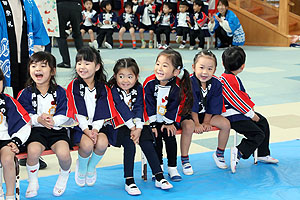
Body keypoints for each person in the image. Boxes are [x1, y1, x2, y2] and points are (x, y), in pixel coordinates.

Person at [103, 58, 173, 195]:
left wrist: (139, 128)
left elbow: (140, 106)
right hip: (117, 125)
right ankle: (129, 181)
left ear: (136, 77)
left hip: (136, 124)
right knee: (129, 144)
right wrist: (133, 127)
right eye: (121, 76)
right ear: (115, 75)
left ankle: (159, 176)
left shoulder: (139, 88)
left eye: (130, 76)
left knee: (147, 142)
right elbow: (120, 107)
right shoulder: (112, 89)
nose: (125, 80)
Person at [17, 52, 74, 197]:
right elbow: (23, 115)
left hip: (57, 131)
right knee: (33, 152)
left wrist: (54, 121)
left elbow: (67, 112)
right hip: (36, 131)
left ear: (53, 71)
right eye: (34, 66)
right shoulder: (25, 93)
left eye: (43, 66)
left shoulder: (61, 92)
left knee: (64, 154)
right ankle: (33, 181)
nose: (38, 69)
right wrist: (38, 119)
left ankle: (64, 175)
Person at [220, 46, 279, 173]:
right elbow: (235, 100)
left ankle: (262, 153)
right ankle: (239, 151)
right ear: (243, 66)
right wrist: (251, 114)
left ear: (223, 63)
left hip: (239, 113)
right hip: (233, 115)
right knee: (258, 134)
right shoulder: (226, 79)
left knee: (262, 122)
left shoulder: (231, 78)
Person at [143, 48, 193, 182]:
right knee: (155, 138)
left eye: (165, 66)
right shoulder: (149, 83)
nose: (159, 68)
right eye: (157, 64)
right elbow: (148, 105)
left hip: (170, 120)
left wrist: (169, 123)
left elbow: (175, 107)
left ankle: (172, 167)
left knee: (170, 137)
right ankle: (157, 167)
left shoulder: (177, 86)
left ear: (176, 71)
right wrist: (153, 124)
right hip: (152, 120)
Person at [67, 47, 113, 187]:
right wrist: (87, 130)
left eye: (87, 63)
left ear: (97, 66)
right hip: (79, 126)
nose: (82, 67)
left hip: (98, 126)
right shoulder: (74, 85)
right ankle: (81, 167)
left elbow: (102, 109)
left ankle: (91, 167)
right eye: (79, 63)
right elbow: (77, 110)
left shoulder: (103, 88)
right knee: (86, 146)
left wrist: (96, 130)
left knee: (102, 143)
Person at [181, 50, 231, 175]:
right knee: (189, 126)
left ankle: (219, 154)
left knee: (226, 124)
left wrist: (207, 121)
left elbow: (214, 104)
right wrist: (197, 124)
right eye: (201, 67)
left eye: (209, 68)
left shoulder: (216, 83)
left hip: (206, 114)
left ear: (214, 70)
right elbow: (192, 105)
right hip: (189, 114)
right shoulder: (189, 81)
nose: (205, 72)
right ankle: (185, 160)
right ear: (194, 67)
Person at [0, 0, 50, 98]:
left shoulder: (29, 3)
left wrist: (36, 52)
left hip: (26, 55)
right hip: (4, 56)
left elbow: (38, 27)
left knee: (25, 89)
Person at [0, 68, 31, 200]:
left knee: (8, 160)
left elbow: (25, 122)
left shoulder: (8, 101)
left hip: (5, 140)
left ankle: (10, 195)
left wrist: (17, 141)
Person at [56, 0, 83, 68]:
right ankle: (85, 59)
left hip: (61, 6)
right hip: (76, 5)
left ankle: (66, 62)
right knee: (77, 34)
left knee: (61, 36)